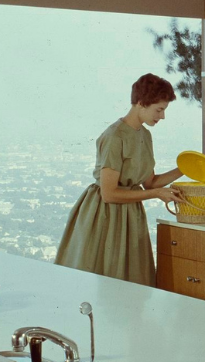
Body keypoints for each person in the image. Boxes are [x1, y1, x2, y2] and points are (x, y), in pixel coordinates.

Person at [55, 73, 183, 285]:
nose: (162, 117)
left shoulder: (144, 135)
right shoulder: (115, 136)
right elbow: (109, 193)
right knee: (106, 279)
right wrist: (156, 194)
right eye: (158, 110)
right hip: (105, 215)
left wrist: (183, 169)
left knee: (131, 279)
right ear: (141, 103)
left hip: (129, 214)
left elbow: (149, 182)